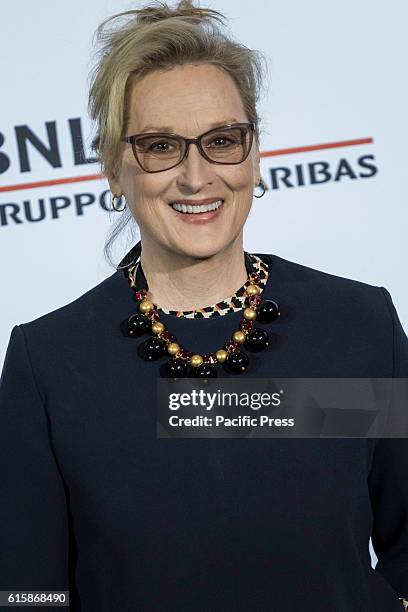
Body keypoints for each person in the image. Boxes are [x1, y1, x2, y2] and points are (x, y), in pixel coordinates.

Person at [1, 1, 407, 610]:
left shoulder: (354, 327)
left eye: (222, 140)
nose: (196, 177)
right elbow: (29, 595)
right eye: (161, 146)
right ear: (115, 167)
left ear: (254, 152)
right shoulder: (49, 365)